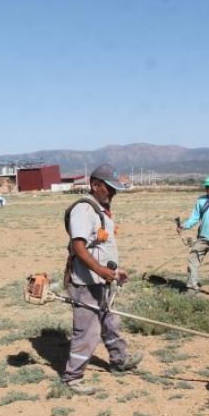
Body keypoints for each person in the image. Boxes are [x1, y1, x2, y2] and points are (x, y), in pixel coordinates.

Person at [61, 163, 143, 395]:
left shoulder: (101, 209)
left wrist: (114, 272)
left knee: (110, 322)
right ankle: (72, 378)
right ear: (94, 185)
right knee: (87, 332)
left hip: (101, 281)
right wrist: (100, 271)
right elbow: (78, 247)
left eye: (115, 188)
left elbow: (100, 247)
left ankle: (119, 361)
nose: (113, 193)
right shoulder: (84, 210)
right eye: (109, 188)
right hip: (86, 283)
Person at [177, 175, 209, 298]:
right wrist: (184, 226)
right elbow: (194, 218)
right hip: (203, 238)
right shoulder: (200, 201)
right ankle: (191, 286)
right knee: (192, 261)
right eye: (207, 187)